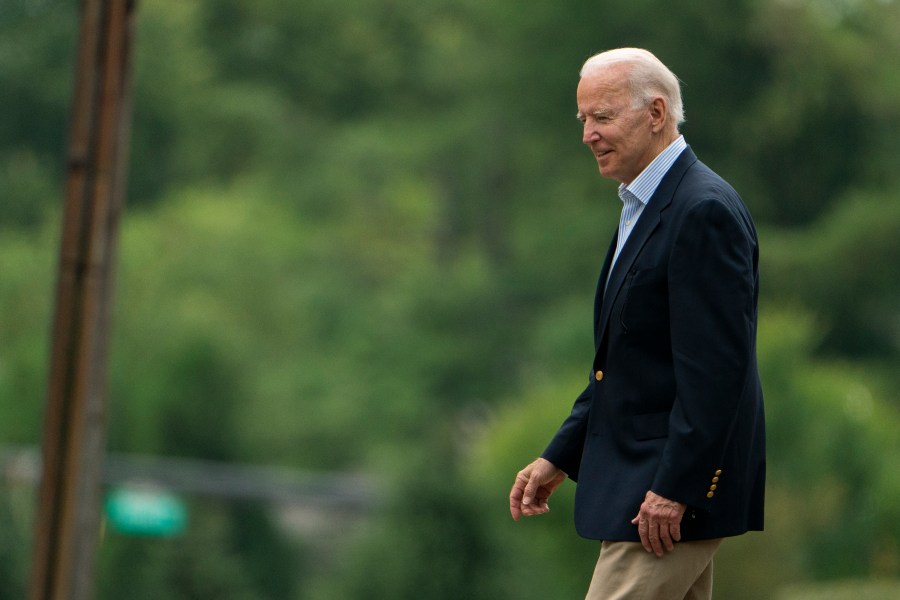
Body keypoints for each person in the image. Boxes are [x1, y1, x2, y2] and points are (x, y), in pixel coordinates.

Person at [508, 48, 765, 599]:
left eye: (602, 118)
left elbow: (719, 370)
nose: (587, 135)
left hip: (663, 496)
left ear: (655, 113)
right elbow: (626, 363)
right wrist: (560, 454)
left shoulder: (703, 211)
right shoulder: (643, 207)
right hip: (650, 490)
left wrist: (676, 487)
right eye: (583, 120)